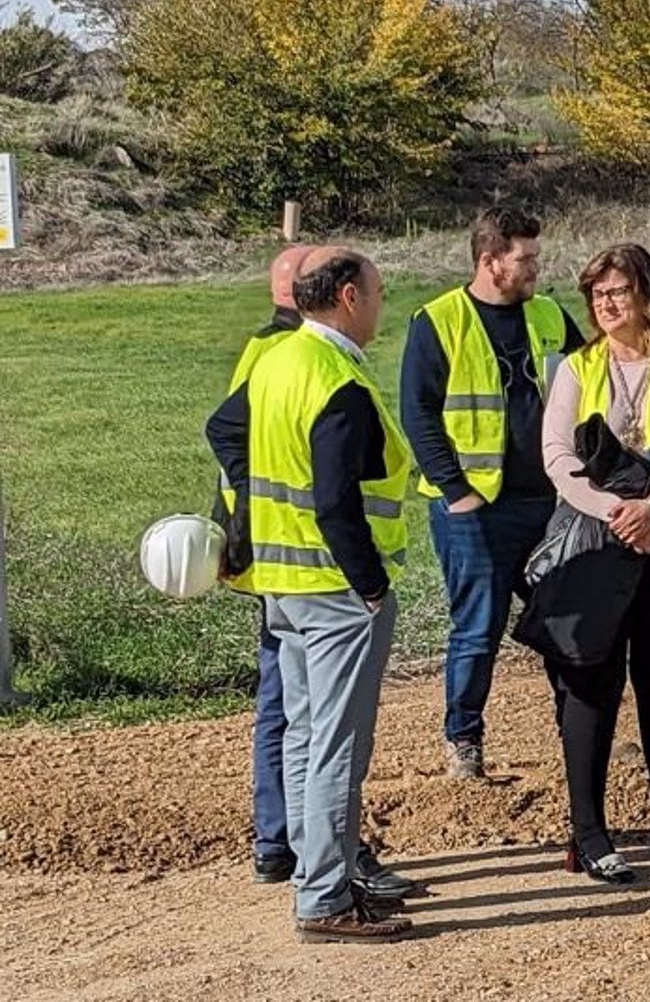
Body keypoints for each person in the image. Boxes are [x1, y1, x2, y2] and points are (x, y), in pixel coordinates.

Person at [206, 251, 416, 942]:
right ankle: (325, 896)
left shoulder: (276, 359)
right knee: (335, 742)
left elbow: (224, 428)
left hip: (282, 584)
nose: (383, 305)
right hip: (334, 589)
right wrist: (372, 584)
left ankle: (314, 875)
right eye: (379, 293)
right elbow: (334, 502)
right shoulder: (335, 379)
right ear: (350, 297)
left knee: (303, 735)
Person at [538, 244, 650, 883]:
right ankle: (589, 833)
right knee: (592, 686)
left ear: (649, 295)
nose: (606, 304)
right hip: (599, 551)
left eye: (617, 291)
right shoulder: (578, 367)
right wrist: (617, 509)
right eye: (597, 295)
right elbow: (557, 455)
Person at [401, 207, 584, 779]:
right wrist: (456, 491)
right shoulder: (440, 321)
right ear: (490, 261)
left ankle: (579, 732)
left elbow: (589, 385)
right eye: (525, 259)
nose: (536, 268)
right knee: (478, 628)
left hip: (550, 504)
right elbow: (419, 413)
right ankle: (464, 742)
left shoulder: (551, 316)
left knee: (568, 624)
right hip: (473, 510)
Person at [215, 243, 309, 886]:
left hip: (268, 548)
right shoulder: (285, 355)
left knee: (285, 700)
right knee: (296, 704)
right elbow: (229, 436)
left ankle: (280, 841)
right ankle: (292, 840)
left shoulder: (264, 347)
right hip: (290, 553)